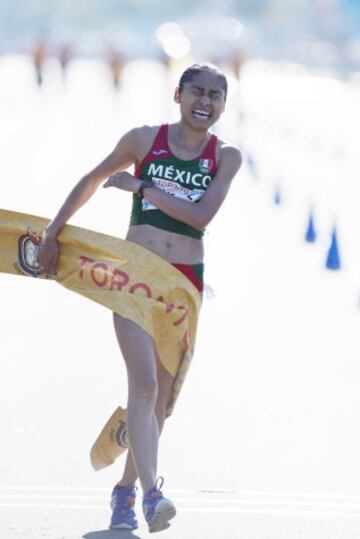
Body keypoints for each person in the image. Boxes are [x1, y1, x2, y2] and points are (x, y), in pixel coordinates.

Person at [37, 63, 242, 533]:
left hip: (182, 283)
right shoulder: (143, 140)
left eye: (215, 95)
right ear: (178, 94)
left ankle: (124, 489)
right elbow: (91, 179)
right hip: (134, 275)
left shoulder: (225, 156)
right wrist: (52, 232)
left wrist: (143, 186)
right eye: (196, 92)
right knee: (145, 384)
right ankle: (152, 496)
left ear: (223, 105)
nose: (205, 102)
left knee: (161, 399)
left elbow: (200, 216)